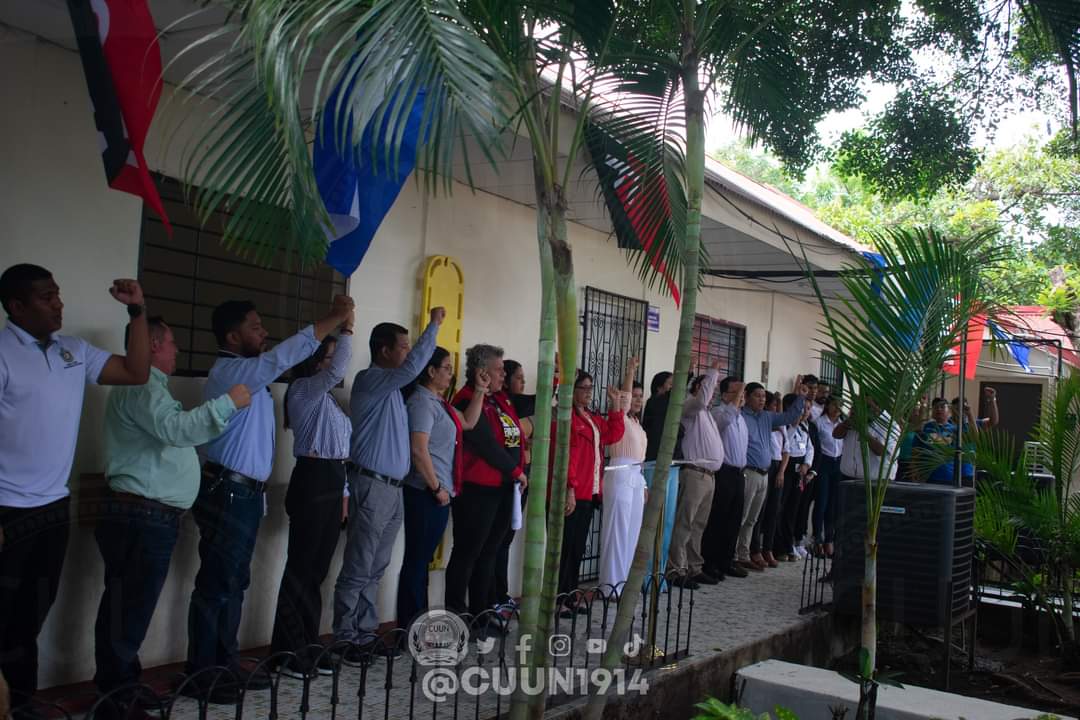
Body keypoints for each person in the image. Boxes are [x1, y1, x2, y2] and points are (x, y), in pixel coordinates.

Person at [0, 264, 151, 717]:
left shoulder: (73, 350)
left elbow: (137, 372)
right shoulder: (3, 352)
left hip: (51, 507)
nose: (59, 303)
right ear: (17, 307)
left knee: (29, 618)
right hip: (4, 509)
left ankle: (20, 705)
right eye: (47, 297)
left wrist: (138, 313)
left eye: (58, 293)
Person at [186, 295, 353, 700]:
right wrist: (333, 318)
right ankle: (203, 674)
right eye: (255, 327)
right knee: (219, 585)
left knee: (234, 583)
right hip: (226, 489)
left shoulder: (252, 378)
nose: (264, 332)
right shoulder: (233, 372)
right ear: (231, 335)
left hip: (244, 492)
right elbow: (284, 357)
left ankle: (224, 664)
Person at [95, 317, 251, 716]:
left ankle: (122, 686)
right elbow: (177, 430)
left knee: (128, 607)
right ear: (152, 345)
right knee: (130, 608)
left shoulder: (149, 388)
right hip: (140, 517)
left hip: (145, 517)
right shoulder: (143, 386)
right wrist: (228, 402)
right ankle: (116, 700)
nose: (178, 351)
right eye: (171, 344)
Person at [333, 307, 444, 657]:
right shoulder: (371, 380)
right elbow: (413, 369)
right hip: (372, 486)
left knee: (377, 566)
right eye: (404, 347)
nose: (409, 354)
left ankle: (364, 632)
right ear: (384, 350)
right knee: (359, 564)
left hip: (392, 490)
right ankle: (345, 636)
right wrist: (435, 326)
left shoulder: (393, 391)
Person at [269, 319, 354, 678]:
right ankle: (287, 652)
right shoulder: (304, 390)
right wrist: (346, 331)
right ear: (316, 360)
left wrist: (346, 495)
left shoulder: (330, 402)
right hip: (313, 479)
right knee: (301, 569)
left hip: (334, 480)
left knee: (316, 571)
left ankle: (307, 642)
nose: (334, 366)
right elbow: (338, 369)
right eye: (329, 357)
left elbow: (342, 452)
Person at [396, 348, 486, 630]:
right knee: (417, 561)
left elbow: (468, 422)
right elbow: (418, 449)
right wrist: (436, 487)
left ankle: (417, 623)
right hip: (425, 491)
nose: (450, 373)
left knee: (422, 560)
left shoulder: (439, 403)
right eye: (446, 367)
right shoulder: (421, 403)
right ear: (431, 371)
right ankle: (410, 627)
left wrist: (480, 390)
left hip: (439, 491)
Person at [445, 344, 527, 635]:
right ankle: (456, 615)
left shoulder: (501, 399)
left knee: (490, 551)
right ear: (481, 372)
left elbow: (513, 435)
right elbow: (486, 444)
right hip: (477, 488)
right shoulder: (468, 398)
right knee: (468, 552)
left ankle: (482, 612)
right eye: (498, 369)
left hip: (503, 488)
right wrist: (516, 470)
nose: (503, 374)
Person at [556, 369, 625, 610]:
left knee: (576, 549)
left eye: (589, 388)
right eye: (582, 388)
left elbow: (613, 434)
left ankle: (571, 594)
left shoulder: (591, 418)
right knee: (563, 549)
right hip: (573, 492)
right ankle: (559, 598)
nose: (587, 393)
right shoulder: (568, 417)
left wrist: (615, 405)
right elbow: (568, 456)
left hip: (589, 492)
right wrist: (570, 487)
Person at [732, 379, 807, 572]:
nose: (761, 399)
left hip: (765, 474)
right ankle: (731, 555)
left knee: (752, 519)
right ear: (746, 397)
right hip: (749, 472)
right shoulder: (740, 416)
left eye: (764, 396)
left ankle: (743, 554)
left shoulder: (767, 416)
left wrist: (800, 396)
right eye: (757, 395)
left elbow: (790, 417)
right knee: (740, 516)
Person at [668, 360, 724, 588]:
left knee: (698, 525)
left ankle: (693, 567)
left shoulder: (707, 414)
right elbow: (702, 399)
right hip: (694, 474)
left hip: (709, 476)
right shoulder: (690, 406)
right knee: (685, 522)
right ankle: (676, 569)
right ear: (698, 387)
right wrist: (712, 371)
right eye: (711, 387)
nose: (713, 392)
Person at [599, 361, 646, 590]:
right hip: (619, 474)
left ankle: (624, 581)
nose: (636, 399)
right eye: (633, 395)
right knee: (617, 531)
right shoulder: (620, 417)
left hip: (636, 476)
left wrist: (643, 484)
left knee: (631, 531)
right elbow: (624, 399)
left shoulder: (637, 424)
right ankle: (610, 585)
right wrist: (630, 372)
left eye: (640, 396)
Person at [705, 376, 747, 581]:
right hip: (724, 472)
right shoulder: (718, 412)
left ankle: (726, 560)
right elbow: (726, 420)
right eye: (736, 392)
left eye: (742, 393)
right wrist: (736, 400)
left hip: (739, 473)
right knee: (718, 520)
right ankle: (711, 562)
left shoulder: (741, 417)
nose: (741, 397)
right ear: (724, 395)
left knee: (734, 520)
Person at [775, 394, 815, 560]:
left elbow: (810, 448)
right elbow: (786, 444)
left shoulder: (806, 427)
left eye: (806, 409)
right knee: (781, 508)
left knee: (793, 509)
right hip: (787, 466)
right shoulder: (784, 425)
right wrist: (794, 425)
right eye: (801, 409)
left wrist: (807, 464)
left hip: (800, 469)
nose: (805, 412)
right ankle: (778, 547)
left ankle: (789, 543)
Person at [753, 392, 789, 568]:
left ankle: (768, 547)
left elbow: (786, 450)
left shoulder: (781, 428)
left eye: (777, 406)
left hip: (778, 467)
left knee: (774, 510)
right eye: (773, 406)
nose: (776, 410)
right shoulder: (763, 423)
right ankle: (755, 549)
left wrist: (782, 471)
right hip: (766, 465)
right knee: (759, 511)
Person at [811, 395, 844, 555]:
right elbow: (816, 446)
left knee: (833, 504)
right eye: (834, 405)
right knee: (822, 502)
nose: (837, 408)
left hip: (838, 463)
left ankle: (829, 540)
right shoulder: (819, 422)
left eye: (840, 405)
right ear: (828, 406)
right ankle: (817, 538)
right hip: (823, 462)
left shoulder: (843, 424)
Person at [642, 371, 674, 462]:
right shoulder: (654, 402)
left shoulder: (668, 403)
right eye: (670, 384)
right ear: (659, 386)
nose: (672, 388)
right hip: (655, 452)